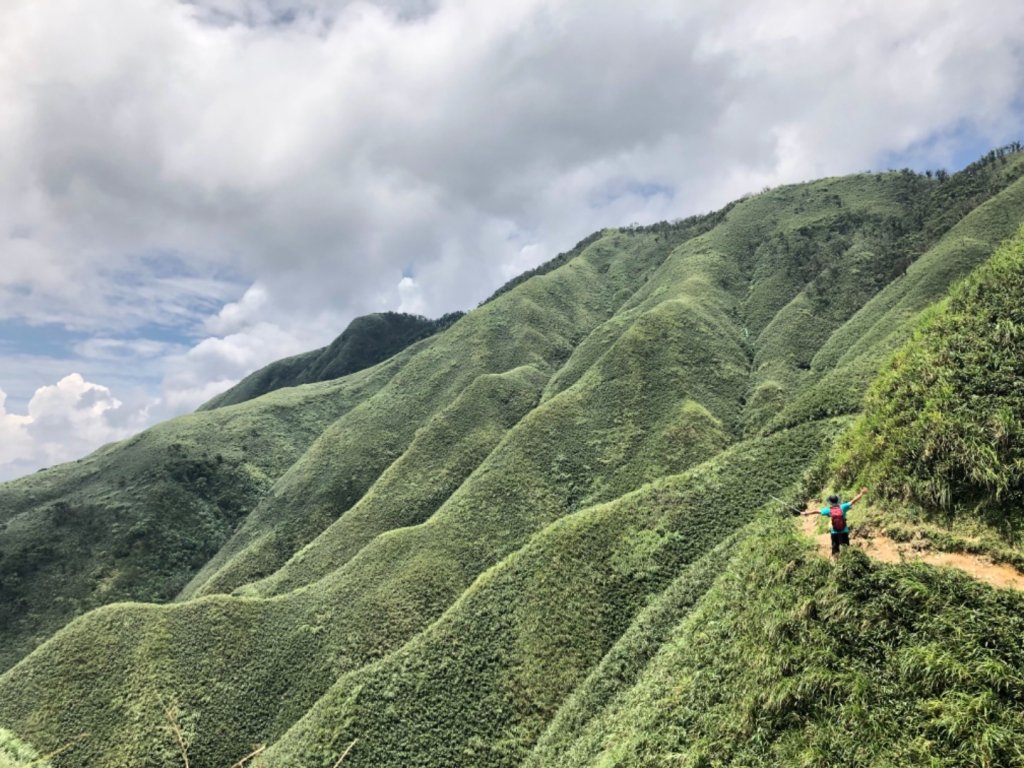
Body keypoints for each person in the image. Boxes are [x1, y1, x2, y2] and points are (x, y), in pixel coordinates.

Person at [803, 487, 868, 557]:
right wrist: (861, 493)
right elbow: (853, 501)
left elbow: (816, 511)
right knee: (847, 548)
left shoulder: (828, 510)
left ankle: (836, 562)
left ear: (830, 502)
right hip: (844, 531)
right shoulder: (843, 507)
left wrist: (806, 513)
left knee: (835, 549)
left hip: (834, 532)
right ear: (838, 501)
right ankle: (848, 560)